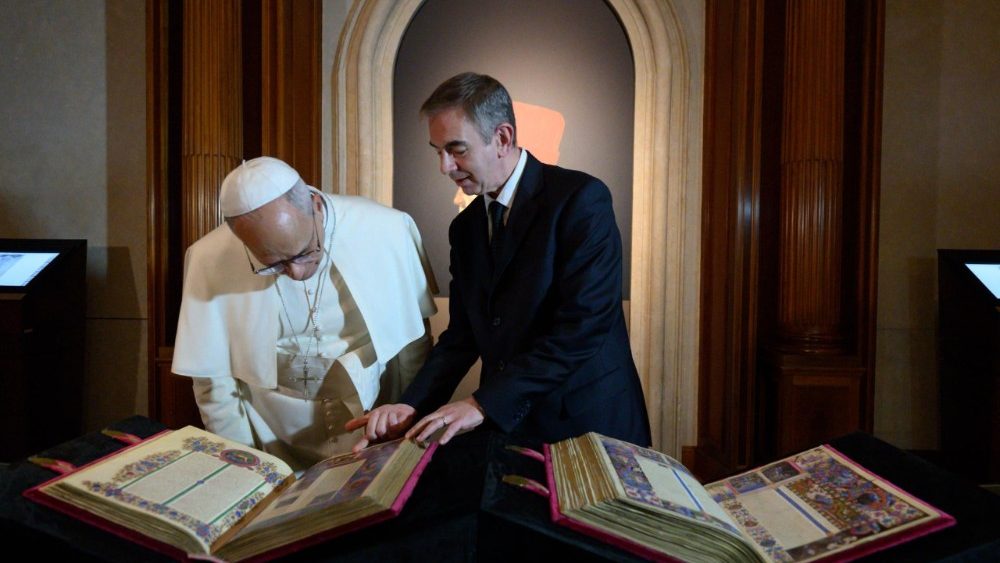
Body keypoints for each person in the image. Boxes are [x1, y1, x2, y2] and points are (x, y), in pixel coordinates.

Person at [348, 72, 650, 450]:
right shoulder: (465, 228)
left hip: (590, 424)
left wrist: (481, 403)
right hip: (511, 429)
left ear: (502, 138)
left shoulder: (581, 200)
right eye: (437, 151)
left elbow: (582, 328)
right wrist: (409, 405)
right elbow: (462, 335)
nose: (444, 166)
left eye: (457, 150)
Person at [172, 156, 437, 470]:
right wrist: (246, 462)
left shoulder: (385, 228)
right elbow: (213, 381)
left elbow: (412, 344)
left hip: (375, 416)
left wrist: (405, 427)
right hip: (272, 432)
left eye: (305, 252)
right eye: (275, 265)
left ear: (314, 205)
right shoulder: (208, 258)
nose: (297, 273)